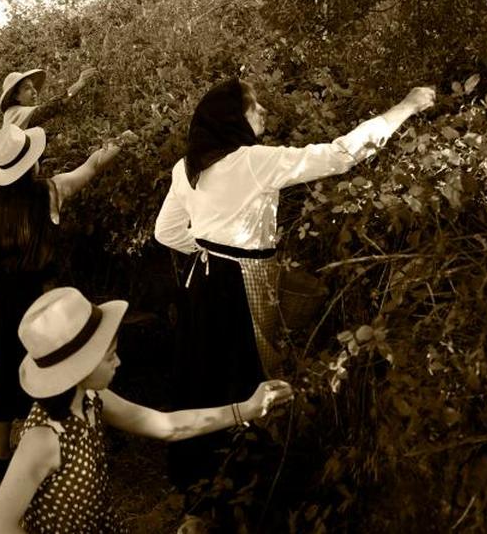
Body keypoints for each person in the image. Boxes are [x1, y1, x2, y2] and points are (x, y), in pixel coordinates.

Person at [153, 78, 435, 521]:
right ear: (232, 118)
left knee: (201, 379)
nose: (263, 110)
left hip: (202, 282)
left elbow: (165, 233)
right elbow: (340, 156)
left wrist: (210, 251)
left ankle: (200, 503)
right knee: (250, 381)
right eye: (254, 106)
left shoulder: (186, 167)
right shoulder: (250, 162)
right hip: (242, 281)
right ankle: (246, 500)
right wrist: (405, 107)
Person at [0, 287, 294, 534]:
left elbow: (166, 426)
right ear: (77, 369)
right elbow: (0, 523)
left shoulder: (92, 398)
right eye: (109, 357)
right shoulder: (44, 438)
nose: (118, 362)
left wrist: (247, 408)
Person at [0, 123, 137, 480]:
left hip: (5, 299)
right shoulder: (49, 191)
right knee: (55, 371)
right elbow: (93, 166)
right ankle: (49, 452)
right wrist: (122, 139)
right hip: (46, 298)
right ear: (31, 163)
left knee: (5, 373)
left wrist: (7, 275)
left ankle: (1, 460)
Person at [0, 67, 98, 130]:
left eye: (33, 87)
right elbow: (51, 107)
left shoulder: (17, 115)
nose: (34, 91)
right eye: (27, 88)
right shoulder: (15, 114)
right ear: (16, 96)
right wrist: (79, 84)